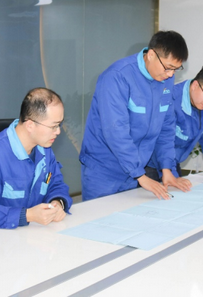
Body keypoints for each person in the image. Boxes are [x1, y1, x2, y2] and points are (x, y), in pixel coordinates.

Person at [80, 30, 192, 201]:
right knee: (100, 216)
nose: (171, 75)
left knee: (128, 216)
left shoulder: (165, 80)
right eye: (168, 67)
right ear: (151, 55)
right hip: (104, 169)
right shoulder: (117, 77)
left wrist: (166, 168)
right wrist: (140, 175)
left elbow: (166, 127)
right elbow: (116, 131)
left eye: (176, 69)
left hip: (135, 170)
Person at [0, 88, 72, 229]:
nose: (58, 131)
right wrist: (27, 215)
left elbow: (55, 184)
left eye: (59, 124)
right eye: (53, 126)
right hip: (0, 238)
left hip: (35, 234)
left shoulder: (44, 149)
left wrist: (57, 202)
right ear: (30, 125)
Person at [146, 63, 203, 181]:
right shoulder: (171, 100)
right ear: (195, 85)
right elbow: (162, 141)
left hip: (173, 163)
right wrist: (170, 173)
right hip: (151, 164)